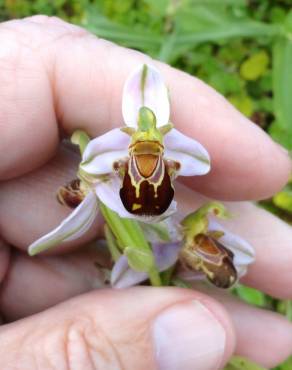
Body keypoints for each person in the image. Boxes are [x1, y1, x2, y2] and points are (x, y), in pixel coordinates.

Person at [0, 15, 291, 370]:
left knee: (150, 256)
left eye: (152, 153)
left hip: (157, 235)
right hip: (141, 226)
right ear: (128, 148)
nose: (146, 156)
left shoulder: (164, 230)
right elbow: (94, 164)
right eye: (139, 153)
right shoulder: (112, 168)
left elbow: (198, 160)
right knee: (136, 252)